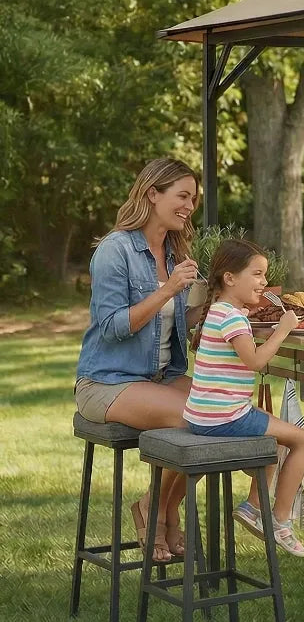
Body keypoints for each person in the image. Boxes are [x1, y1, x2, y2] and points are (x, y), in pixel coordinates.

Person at [75, 158, 202, 563]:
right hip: (106, 383)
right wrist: (168, 290)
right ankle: (156, 509)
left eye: (193, 199)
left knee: (222, 411)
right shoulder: (115, 250)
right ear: (152, 194)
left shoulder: (175, 251)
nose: (190, 206)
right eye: (183, 196)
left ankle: (161, 506)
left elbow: (168, 321)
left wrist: (212, 307)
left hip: (160, 377)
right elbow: (113, 327)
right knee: (194, 417)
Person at [184, 238, 304, 557]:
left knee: (277, 436)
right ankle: (280, 521)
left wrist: (256, 324)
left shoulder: (219, 311)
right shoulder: (232, 317)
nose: (264, 281)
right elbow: (255, 361)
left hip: (205, 416)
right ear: (230, 278)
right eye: (257, 274)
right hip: (225, 417)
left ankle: (253, 507)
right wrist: (282, 330)